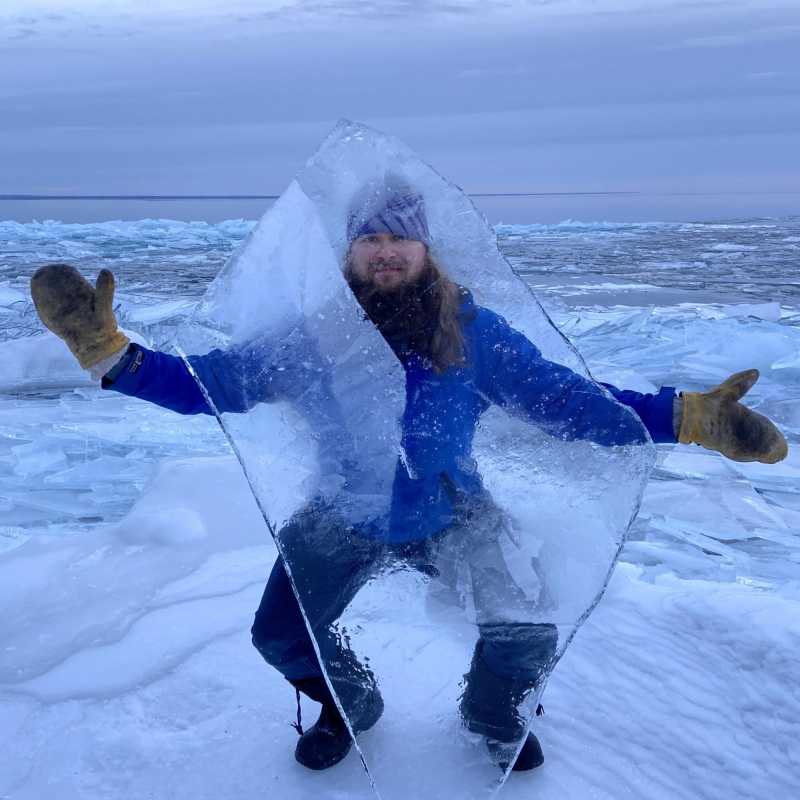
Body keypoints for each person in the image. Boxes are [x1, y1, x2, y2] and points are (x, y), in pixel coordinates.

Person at [30, 183, 788, 775]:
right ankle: (349, 705)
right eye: (370, 237)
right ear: (349, 251)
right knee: (278, 635)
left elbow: (568, 401)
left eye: (401, 237)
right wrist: (111, 354)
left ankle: (493, 716)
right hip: (343, 511)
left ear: (425, 249)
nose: (386, 251)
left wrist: (691, 418)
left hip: (450, 505)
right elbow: (215, 382)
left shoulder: (472, 331)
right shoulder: (314, 338)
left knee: (523, 629)